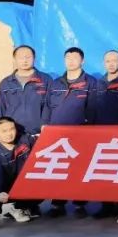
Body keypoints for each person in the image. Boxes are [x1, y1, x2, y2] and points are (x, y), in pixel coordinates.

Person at [46, 47, 100, 218]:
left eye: (75, 58)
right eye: (68, 58)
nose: (71, 61)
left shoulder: (90, 82)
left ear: (82, 61)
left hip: (80, 134)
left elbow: (93, 108)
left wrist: (89, 130)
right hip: (57, 135)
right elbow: (47, 106)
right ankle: (57, 203)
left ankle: (79, 204)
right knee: (59, 168)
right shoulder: (55, 83)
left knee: (79, 168)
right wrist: (45, 126)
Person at [92, 50, 118, 220]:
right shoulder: (98, 83)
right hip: (101, 134)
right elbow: (92, 107)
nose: (111, 64)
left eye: (114, 60)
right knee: (103, 170)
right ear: (104, 63)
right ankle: (106, 205)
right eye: (108, 61)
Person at [0, 117, 37, 232]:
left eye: (12, 129)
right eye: (4, 131)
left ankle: (18, 208)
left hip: (22, 182)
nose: (9, 134)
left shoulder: (25, 140)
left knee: (43, 185)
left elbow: (43, 141)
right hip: (5, 186)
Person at [0, 44, 51, 137]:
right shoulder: (6, 83)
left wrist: (46, 125)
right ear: (14, 59)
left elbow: (49, 105)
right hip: (13, 134)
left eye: (28, 57)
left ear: (34, 58)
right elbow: (0, 108)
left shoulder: (45, 80)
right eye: (20, 57)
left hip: (38, 133)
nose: (24, 60)